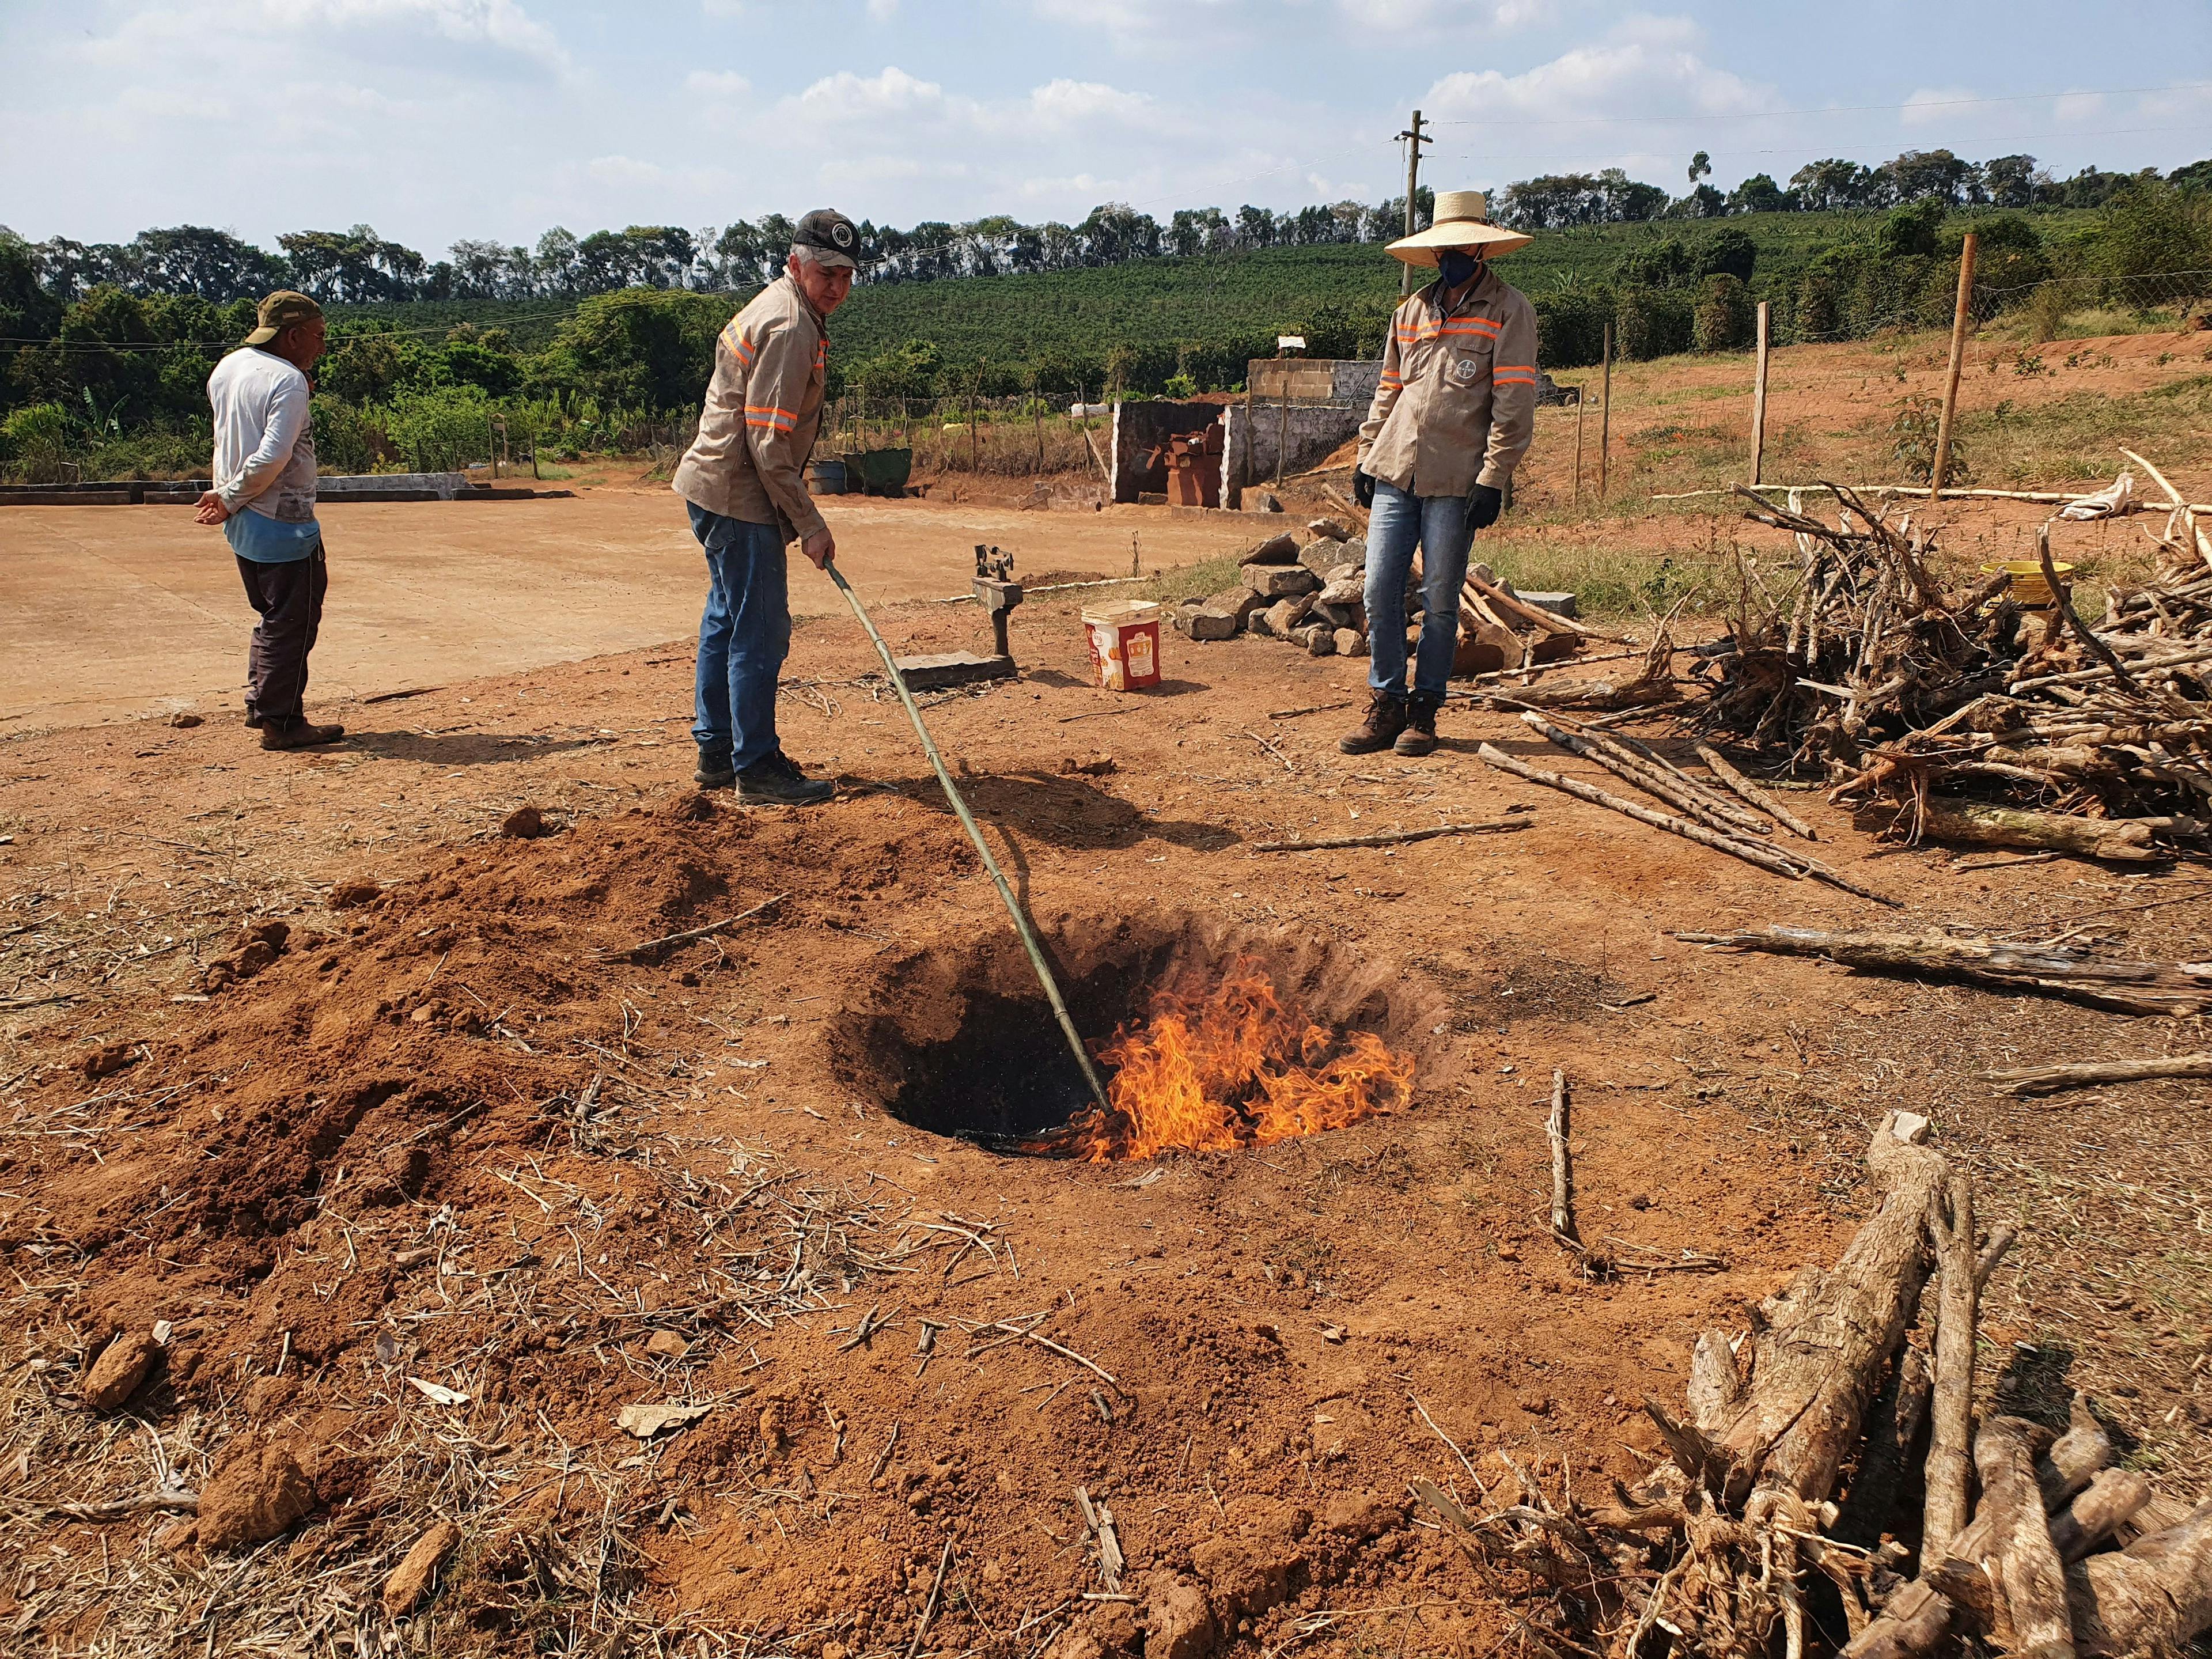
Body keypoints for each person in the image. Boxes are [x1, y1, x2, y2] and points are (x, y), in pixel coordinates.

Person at [671, 208, 862, 805]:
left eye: (846, 275)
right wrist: (810, 522)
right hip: (740, 496)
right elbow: (767, 443)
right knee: (759, 631)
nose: (835, 285)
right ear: (796, 264)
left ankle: (717, 752)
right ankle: (755, 768)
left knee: (726, 621)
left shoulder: (779, 306)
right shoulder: (790, 327)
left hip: (714, 487)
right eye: (825, 271)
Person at [1341, 191, 1538, 757]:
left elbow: (1513, 403)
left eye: (1460, 245)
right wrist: (1366, 452)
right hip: (1394, 470)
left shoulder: (1507, 310)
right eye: (1443, 246)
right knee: (1379, 591)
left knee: (1442, 600)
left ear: (1481, 247)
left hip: (1458, 481)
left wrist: (1494, 478)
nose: (1451, 254)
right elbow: (1388, 389)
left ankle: (1424, 711)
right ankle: (1385, 704)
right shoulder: (1411, 312)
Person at [195, 290, 342, 749]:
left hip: (240, 517)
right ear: (293, 336)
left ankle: (262, 704)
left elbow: (227, 440)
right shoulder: (288, 380)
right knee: (293, 623)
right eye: (318, 337)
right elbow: (272, 456)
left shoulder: (229, 367)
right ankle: (282, 723)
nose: (322, 346)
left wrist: (227, 498)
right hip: (282, 519)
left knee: (271, 617)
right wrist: (236, 495)